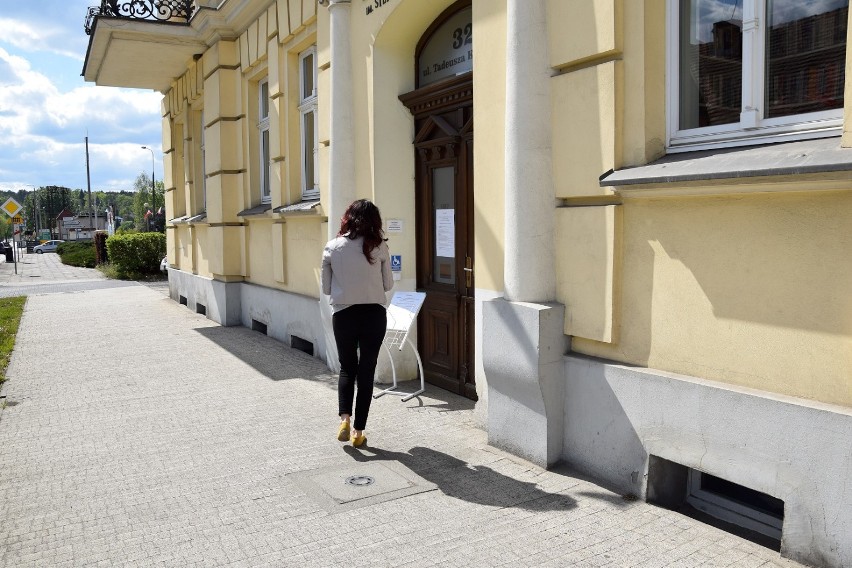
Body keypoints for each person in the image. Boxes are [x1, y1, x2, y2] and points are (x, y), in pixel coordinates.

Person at [321, 199, 393, 447]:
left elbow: (326, 288)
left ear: (347, 218)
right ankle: (358, 432)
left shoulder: (332, 247)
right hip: (373, 314)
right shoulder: (379, 247)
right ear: (375, 221)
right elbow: (388, 285)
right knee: (367, 371)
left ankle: (344, 419)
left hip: (344, 314)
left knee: (347, 368)